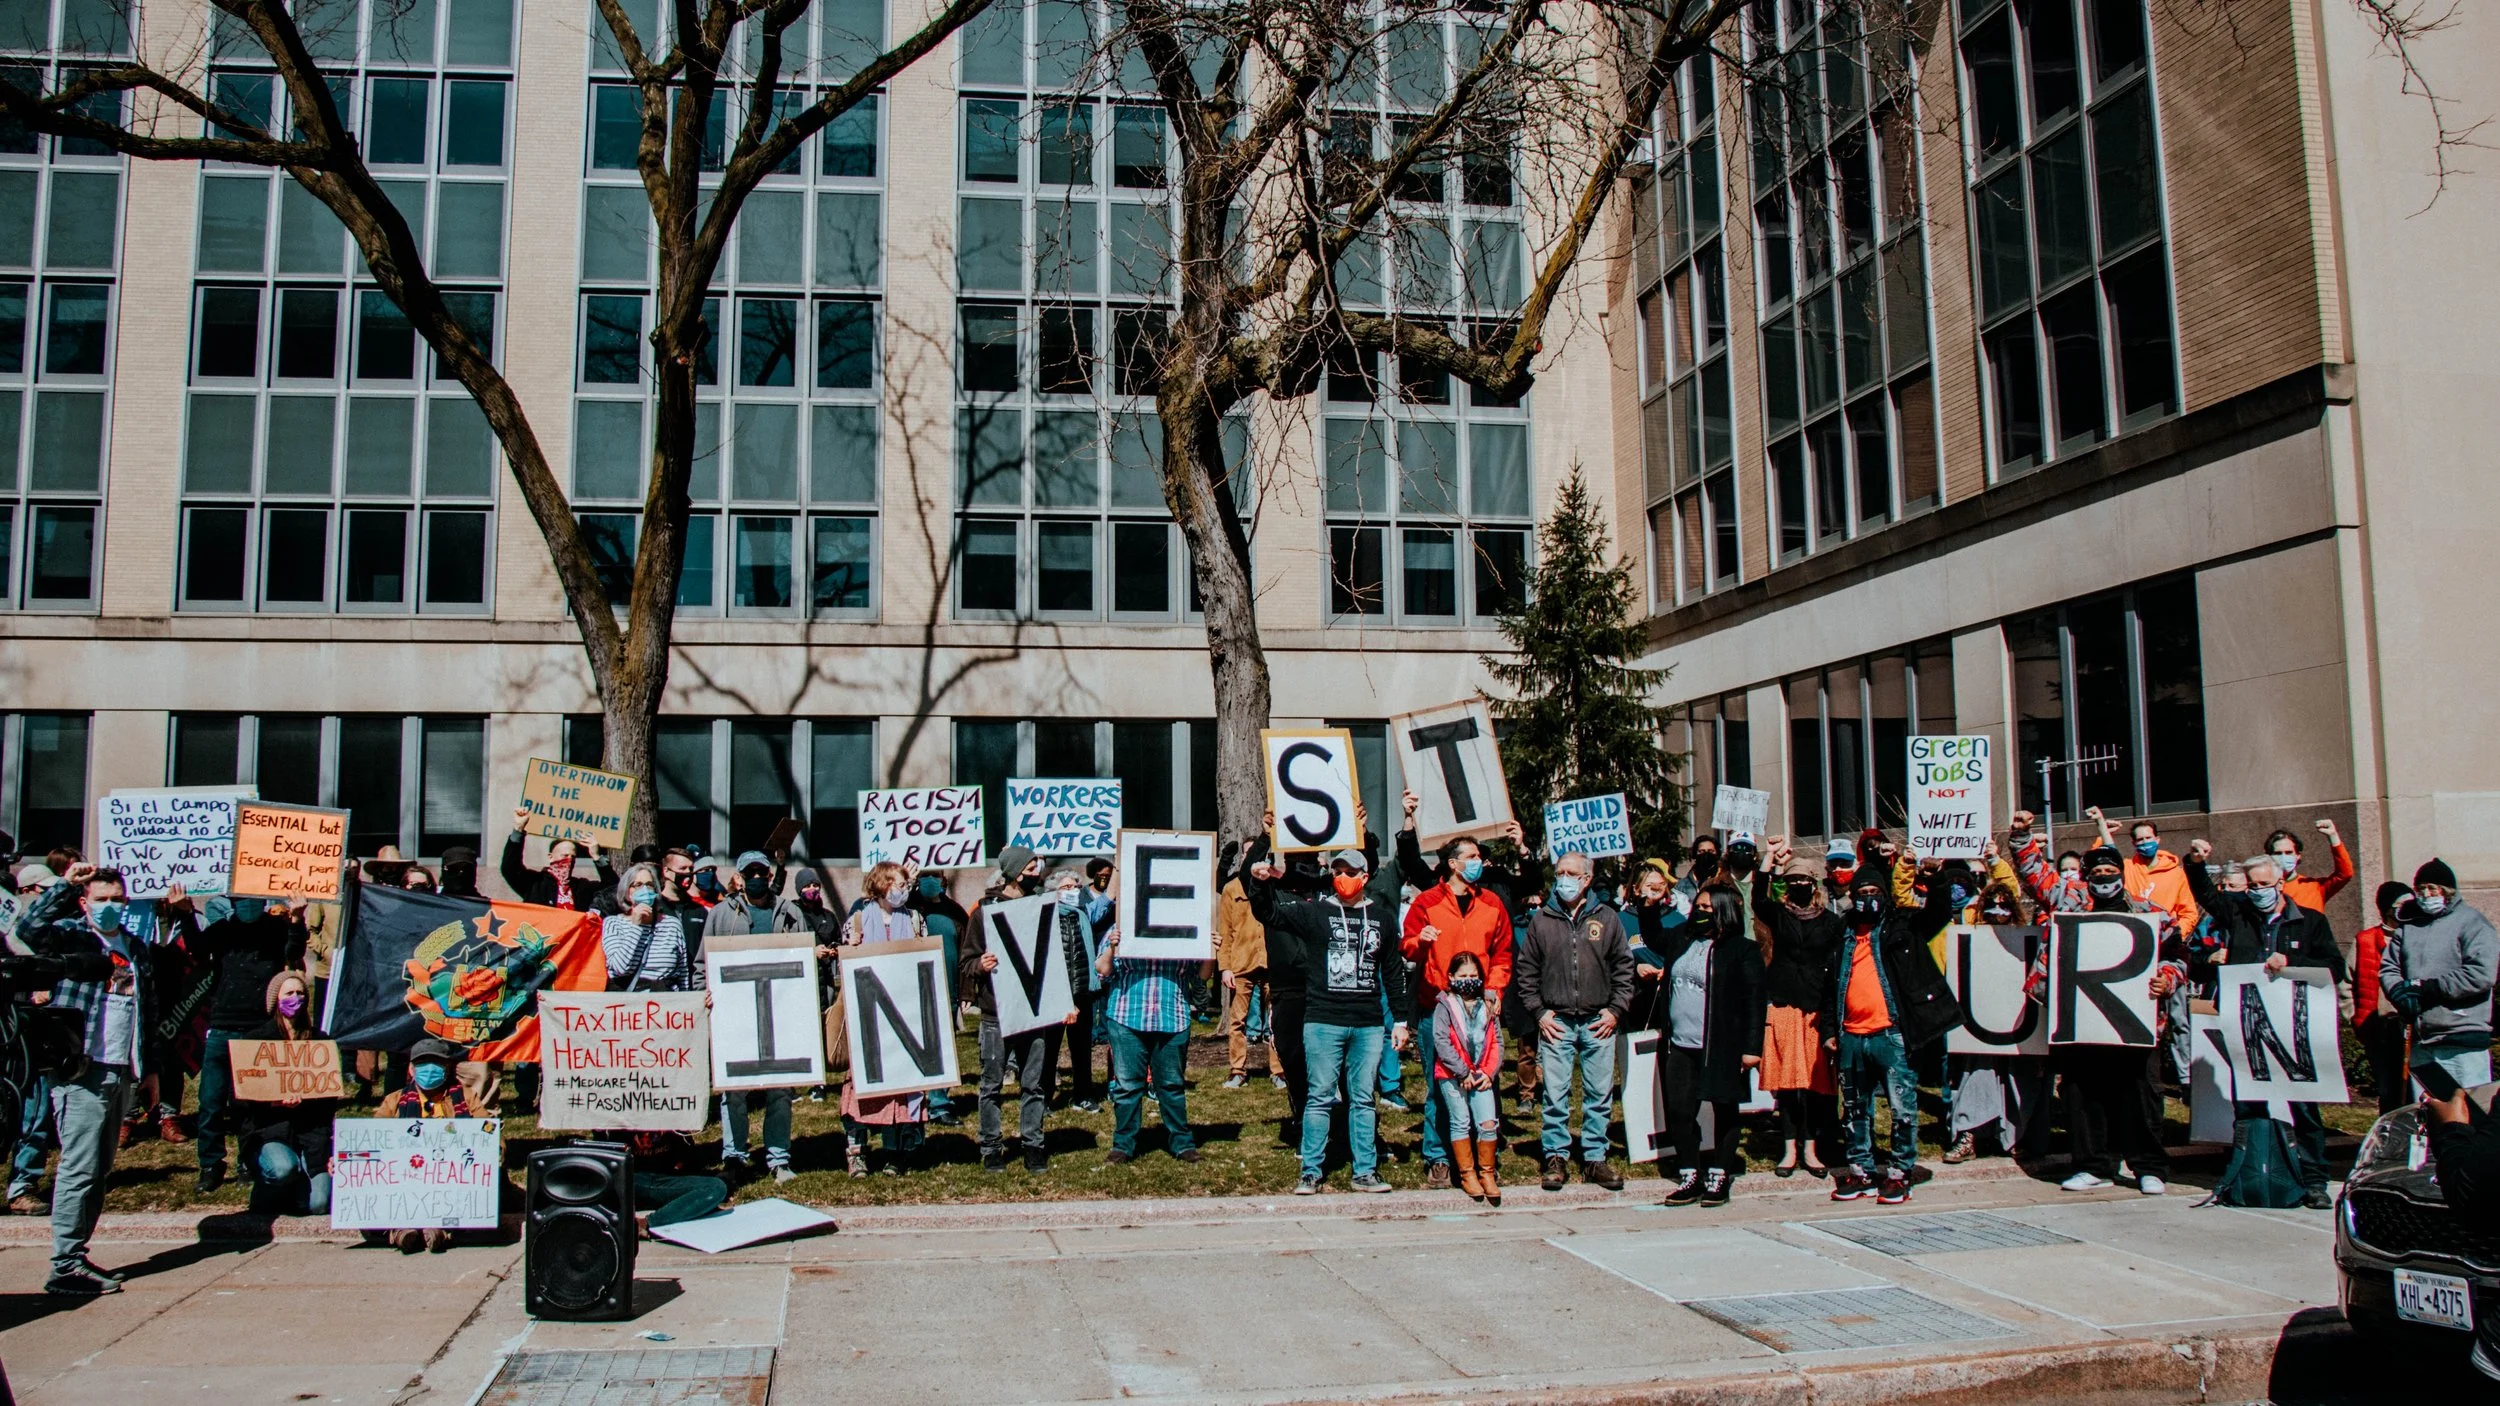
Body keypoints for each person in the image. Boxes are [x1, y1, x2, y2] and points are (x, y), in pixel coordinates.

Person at [2185, 839, 2347, 1208]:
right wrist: (2195, 862)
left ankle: (2314, 1180)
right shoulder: (2238, 914)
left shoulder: (2310, 921)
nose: (2258, 892)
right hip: (2249, 1026)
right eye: (2252, 886)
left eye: (2264, 885)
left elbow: (2334, 968)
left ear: (2280, 884)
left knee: (2303, 1107)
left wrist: (2291, 963)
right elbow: (2206, 893)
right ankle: (2249, 1173)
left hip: (2293, 1027)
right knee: (2249, 1103)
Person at [1244, 844, 1409, 1195]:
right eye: (1338, 872)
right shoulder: (1316, 913)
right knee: (1319, 1096)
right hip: (1323, 1019)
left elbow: (1393, 971)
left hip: (1367, 1022)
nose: (1344, 878)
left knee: (1362, 1098)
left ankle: (1365, 1171)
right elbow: (1269, 913)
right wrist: (1258, 882)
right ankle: (1311, 1171)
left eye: (1351, 872)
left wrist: (1400, 1020)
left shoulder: (1381, 918)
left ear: (1365, 876)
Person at [2017, 833, 2176, 1195]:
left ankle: (2148, 1167)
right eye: (2097, 872)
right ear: (2086, 876)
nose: (2104, 877)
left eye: (2110, 870)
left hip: (2134, 1020)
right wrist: (2022, 837)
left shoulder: (2150, 913)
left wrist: (2167, 979)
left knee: (2140, 1096)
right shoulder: (2070, 905)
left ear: (2122, 872)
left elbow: (2176, 956)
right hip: (2082, 1021)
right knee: (2083, 1095)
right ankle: (2092, 1166)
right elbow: (2034, 874)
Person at [1396, 793, 1531, 1190]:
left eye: (1479, 857)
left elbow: (1502, 953)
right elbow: (1407, 947)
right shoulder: (1427, 902)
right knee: (1441, 1086)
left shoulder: (1492, 904)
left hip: (1480, 1011)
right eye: (1471, 856)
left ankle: (1482, 1157)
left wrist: (1495, 990)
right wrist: (1421, 941)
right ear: (1453, 864)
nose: (1478, 862)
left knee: (1484, 1080)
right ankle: (1439, 1158)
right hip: (1438, 1008)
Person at [13, 865, 131, 1295]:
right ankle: (64, 1264)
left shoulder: (134, 946)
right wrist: (64, 884)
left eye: (116, 899)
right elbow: (27, 928)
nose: (109, 906)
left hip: (120, 1067)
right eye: (101, 899)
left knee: (99, 1169)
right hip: (83, 1068)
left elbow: (146, 1006)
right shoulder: (71, 937)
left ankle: (77, 1253)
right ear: (85, 903)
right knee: (79, 1167)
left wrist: (149, 1069)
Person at [1817, 865, 1958, 1205]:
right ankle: (1861, 1171)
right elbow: (1829, 987)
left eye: (1874, 893)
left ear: (1884, 895)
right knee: (1854, 1110)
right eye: (1862, 894)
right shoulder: (1841, 934)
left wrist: (1935, 878)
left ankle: (1899, 1173)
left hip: (1892, 1034)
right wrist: (1829, 1030)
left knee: (1902, 1109)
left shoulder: (1903, 926)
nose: (1868, 899)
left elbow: (1939, 912)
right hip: (1851, 1036)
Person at [1514, 850, 1634, 1191]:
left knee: (1599, 1094)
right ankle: (1555, 1156)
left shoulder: (1607, 917)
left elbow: (1623, 967)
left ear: (1587, 879)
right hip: (1557, 1021)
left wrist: (1615, 1010)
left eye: (1571, 873)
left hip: (1599, 1020)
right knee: (1555, 1094)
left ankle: (1595, 1158)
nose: (1564, 879)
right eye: (1560, 873)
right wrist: (1539, 1012)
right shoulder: (1542, 919)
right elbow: (1526, 970)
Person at [963, 865, 1088, 1173]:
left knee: (1033, 1084)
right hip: (996, 1014)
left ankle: (1033, 1145)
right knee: (991, 1084)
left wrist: (1063, 1003)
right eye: (1031, 867)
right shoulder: (984, 911)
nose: (1037, 872)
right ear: (1015, 872)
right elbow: (967, 961)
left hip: (1034, 1013)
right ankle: (991, 1147)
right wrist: (980, 964)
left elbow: (1053, 960)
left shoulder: (1040, 907)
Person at [1654, 881, 1766, 1207]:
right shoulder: (1682, 938)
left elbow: (1754, 1002)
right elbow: (1652, 937)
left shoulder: (1742, 950)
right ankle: (1690, 1172)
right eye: (1698, 907)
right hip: (1680, 1043)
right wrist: (1648, 906)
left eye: (1707, 908)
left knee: (1724, 1108)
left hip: (1722, 1045)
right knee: (1679, 1110)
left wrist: (1752, 1048)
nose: (1700, 912)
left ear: (1724, 911)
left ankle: (1719, 1173)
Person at [187, 892, 307, 1194]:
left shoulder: (276, 928)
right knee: (211, 1101)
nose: (246, 904)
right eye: (240, 899)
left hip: (260, 1027)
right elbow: (197, 951)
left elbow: (294, 953)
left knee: (250, 1103)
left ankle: (247, 1159)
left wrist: (296, 918)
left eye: (251, 898)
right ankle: (211, 1164)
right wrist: (184, 914)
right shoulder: (222, 930)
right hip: (222, 1025)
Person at [708, 851, 807, 1183]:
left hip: (779, 1011)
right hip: (735, 1013)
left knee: (780, 1088)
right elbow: (703, 962)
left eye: (760, 872)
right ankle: (735, 1156)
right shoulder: (721, 914)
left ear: (769, 876)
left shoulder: (789, 912)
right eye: (748, 873)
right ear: (738, 878)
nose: (755, 878)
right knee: (734, 1090)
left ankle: (778, 1158)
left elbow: (803, 957)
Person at [1096, 889, 1211, 1166]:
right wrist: (1112, 946)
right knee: (1127, 1086)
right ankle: (1123, 1145)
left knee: (1171, 1085)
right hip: (1127, 1015)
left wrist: (1210, 951)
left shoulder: (1186, 927)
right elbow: (1102, 969)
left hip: (1172, 1015)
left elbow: (1202, 976)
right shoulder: (1122, 925)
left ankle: (1182, 1143)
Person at [1941, 878, 2048, 1164]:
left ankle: (2015, 1138)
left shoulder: (2027, 941)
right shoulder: (1970, 940)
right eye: (1992, 905)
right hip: (1979, 1028)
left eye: (2004, 905)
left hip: (2019, 1026)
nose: (1998, 911)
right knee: (1976, 1077)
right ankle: (1968, 1135)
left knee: (2019, 1082)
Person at [1751, 848, 1840, 1176]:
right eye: (1793, 880)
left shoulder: (1831, 922)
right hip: (1784, 1003)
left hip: (1815, 1009)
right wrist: (1769, 861)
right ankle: (1788, 1149)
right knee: (1788, 1085)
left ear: (1814, 884)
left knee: (1815, 1085)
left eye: (1804, 879)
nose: (1799, 884)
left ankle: (1811, 1149)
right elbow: (1758, 899)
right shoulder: (1779, 914)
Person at [840, 863, 931, 1177]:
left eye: (905, 884)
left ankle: (895, 1151)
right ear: (880, 884)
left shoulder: (915, 920)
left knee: (899, 1085)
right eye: (896, 883)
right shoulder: (858, 920)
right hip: (868, 1016)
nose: (903, 889)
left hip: (903, 1014)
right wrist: (849, 950)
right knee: (861, 1085)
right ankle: (857, 1151)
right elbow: (844, 968)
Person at [2380, 858, 2498, 1094]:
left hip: (2461, 1037)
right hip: (2421, 1038)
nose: (2426, 895)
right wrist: (2398, 992)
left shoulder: (2473, 923)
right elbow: (2389, 967)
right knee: (2427, 1111)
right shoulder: (2409, 925)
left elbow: (2481, 974)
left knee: (2468, 1109)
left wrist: (2430, 988)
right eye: (2421, 889)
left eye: (2432, 888)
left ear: (2447, 891)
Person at [236, 970, 339, 1217]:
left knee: (318, 1204)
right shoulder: (255, 1041)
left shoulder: (320, 1041)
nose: (296, 998)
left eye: (300, 993)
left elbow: (329, 1100)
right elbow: (238, 1097)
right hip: (269, 1130)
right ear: (276, 1000)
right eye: (289, 993)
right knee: (283, 1169)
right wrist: (273, 1102)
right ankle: (266, 1192)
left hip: (310, 1134)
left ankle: (292, 1191)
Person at [379, 1038, 472, 1252]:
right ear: (411, 1069)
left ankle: (439, 1229)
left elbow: (487, 1132)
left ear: (448, 1068)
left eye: (436, 1063)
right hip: (405, 1176)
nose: (429, 1069)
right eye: (422, 1064)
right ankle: (402, 1231)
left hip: (449, 1175)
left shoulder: (465, 1098)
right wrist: (345, 1161)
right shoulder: (394, 1101)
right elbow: (372, 1139)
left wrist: (494, 1151)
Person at [1429, 950, 1503, 1203]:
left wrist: (1490, 1072)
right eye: (1462, 976)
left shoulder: (1488, 1005)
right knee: (1460, 1121)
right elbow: (1441, 1041)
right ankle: (1467, 1174)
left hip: (1482, 1073)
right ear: (1451, 977)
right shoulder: (1444, 1005)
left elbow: (1497, 1041)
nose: (1468, 981)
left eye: (1473, 976)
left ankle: (1487, 1173)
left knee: (1488, 1123)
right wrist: (1462, 1071)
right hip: (1452, 1074)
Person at [2352, 882, 2414, 1114]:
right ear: (2387, 909)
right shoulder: (2365, 940)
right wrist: (2355, 1017)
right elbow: (2347, 983)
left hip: (2411, 1025)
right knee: (2388, 1089)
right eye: (2401, 904)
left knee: (2413, 1087)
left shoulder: (2416, 936)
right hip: (2379, 1027)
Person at [2090, 809, 2200, 937]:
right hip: (2129, 934)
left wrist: (2175, 935)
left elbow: (2188, 913)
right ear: (2134, 843)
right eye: (2140, 839)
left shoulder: (2176, 873)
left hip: (2163, 936)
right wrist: (2103, 834)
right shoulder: (2126, 867)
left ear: (2157, 840)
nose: (2145, 842)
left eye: (2148, 838)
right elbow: (2097, 865)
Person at [1215, 850, 1273, 1089]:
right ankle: (1237, 1070)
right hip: (1241, 963)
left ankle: (1278, 1071)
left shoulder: (1272, 884)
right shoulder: (1231, 888)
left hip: (1270, 961)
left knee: (1276, 1020)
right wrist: (1225, 967)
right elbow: (1225, 931)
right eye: (1248, 853)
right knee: (1237, 1021)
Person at [602, 865, 694, 991]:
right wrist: (636, 926)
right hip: (630, 999)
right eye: (638, 885)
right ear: (627, 891)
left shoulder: (671, 925)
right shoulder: (613, 924)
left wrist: (687, 999)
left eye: (649, 885)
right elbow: (620, 968)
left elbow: (683, 972)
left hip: (665, 998)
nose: (644, 889)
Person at [500, 812, 614, 910]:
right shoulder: (534, 883)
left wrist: (597, 857)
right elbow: (509, 869)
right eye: (565, 855)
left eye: (573, 857)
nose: (569, 860)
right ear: (551, 857)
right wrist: (518, 830)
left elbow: (613, 890)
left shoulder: (582, 887)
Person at [2267, 819, 2354, 914]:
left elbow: (2345, 874)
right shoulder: (2261, 889)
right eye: (2278, 853)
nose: (2283, 857)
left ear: (2298, 856)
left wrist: (2333, 837)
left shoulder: (2315, 887)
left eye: (2289, 853)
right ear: (2268, 857)